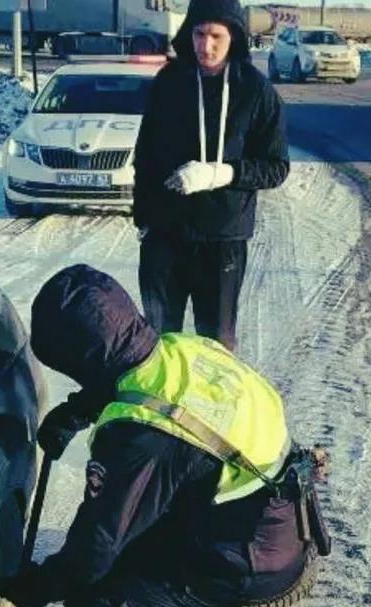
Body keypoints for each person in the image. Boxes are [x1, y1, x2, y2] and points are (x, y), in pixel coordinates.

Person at [0, 264, 328, 607]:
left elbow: (96, 548)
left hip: (247, 564)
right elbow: (145, 384)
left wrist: (39, 586)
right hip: (283, 523)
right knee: (140, 524)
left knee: (98, 596)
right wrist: (76, 412)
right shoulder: (182, 348)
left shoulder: (139, 440)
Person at [132, 0, 290, 352]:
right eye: (199, 34)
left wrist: (222, 174)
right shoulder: (169, 82)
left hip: (222, 242)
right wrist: (143, 217)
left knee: (215, 344)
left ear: (234, 36)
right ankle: (160, 406)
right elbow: (144, 156)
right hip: (165, 235)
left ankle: (211, 407)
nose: (206, 46)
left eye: (216, 36)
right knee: (157, 340)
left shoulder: (256, 91)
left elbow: (277, 166)